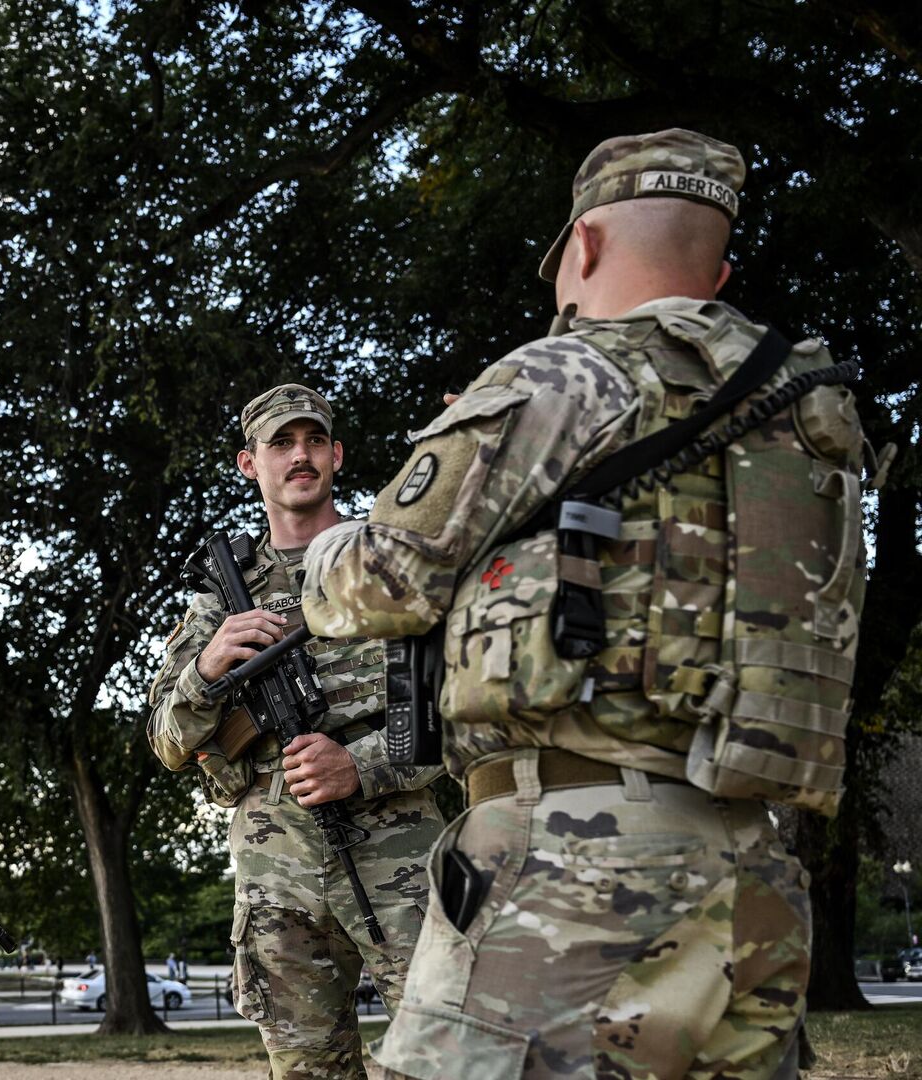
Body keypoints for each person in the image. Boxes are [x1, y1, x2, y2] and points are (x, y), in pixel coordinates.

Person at [300, 130, 872, 1078]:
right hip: (752, 870)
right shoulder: (813, 422)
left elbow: (380, 583)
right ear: (718, 273)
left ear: (587, 246)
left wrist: (326, 546)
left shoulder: (562, 376)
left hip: (572, 854)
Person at [148, 385, 445, 1080]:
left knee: (443, 1060)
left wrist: (360, 765)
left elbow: (452, 711)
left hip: (399, 861)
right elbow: (165, 740)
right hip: (275, 877)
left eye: (313, 440)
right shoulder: (218, 601)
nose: (300, 456)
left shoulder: (392, 564)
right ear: (250, 464)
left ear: (336, 454)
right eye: (280, 443)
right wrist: (207, 668)